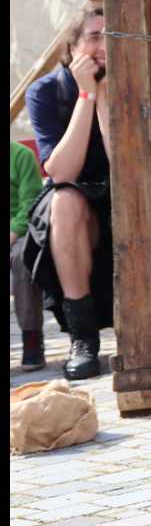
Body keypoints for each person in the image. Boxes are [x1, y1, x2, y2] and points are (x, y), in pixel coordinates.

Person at [22, 3, 151, 381]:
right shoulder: (46, 91)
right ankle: (83, 339)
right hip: (74, 213)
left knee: (134, 199)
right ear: (72, 47)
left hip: (128, 197)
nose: (103, 46)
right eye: (95, 37)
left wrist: (107, 100)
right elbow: (61, 173)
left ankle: (142, 327)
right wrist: (87, 97)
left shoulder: (143, 85)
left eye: (112, 37)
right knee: (64, 200)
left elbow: (129, 170)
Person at [10, 140, 46, 370]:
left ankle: (31, 338)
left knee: (23, 258)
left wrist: (13, 232)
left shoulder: (21, 156)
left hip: (18, 232)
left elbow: (30, 203)